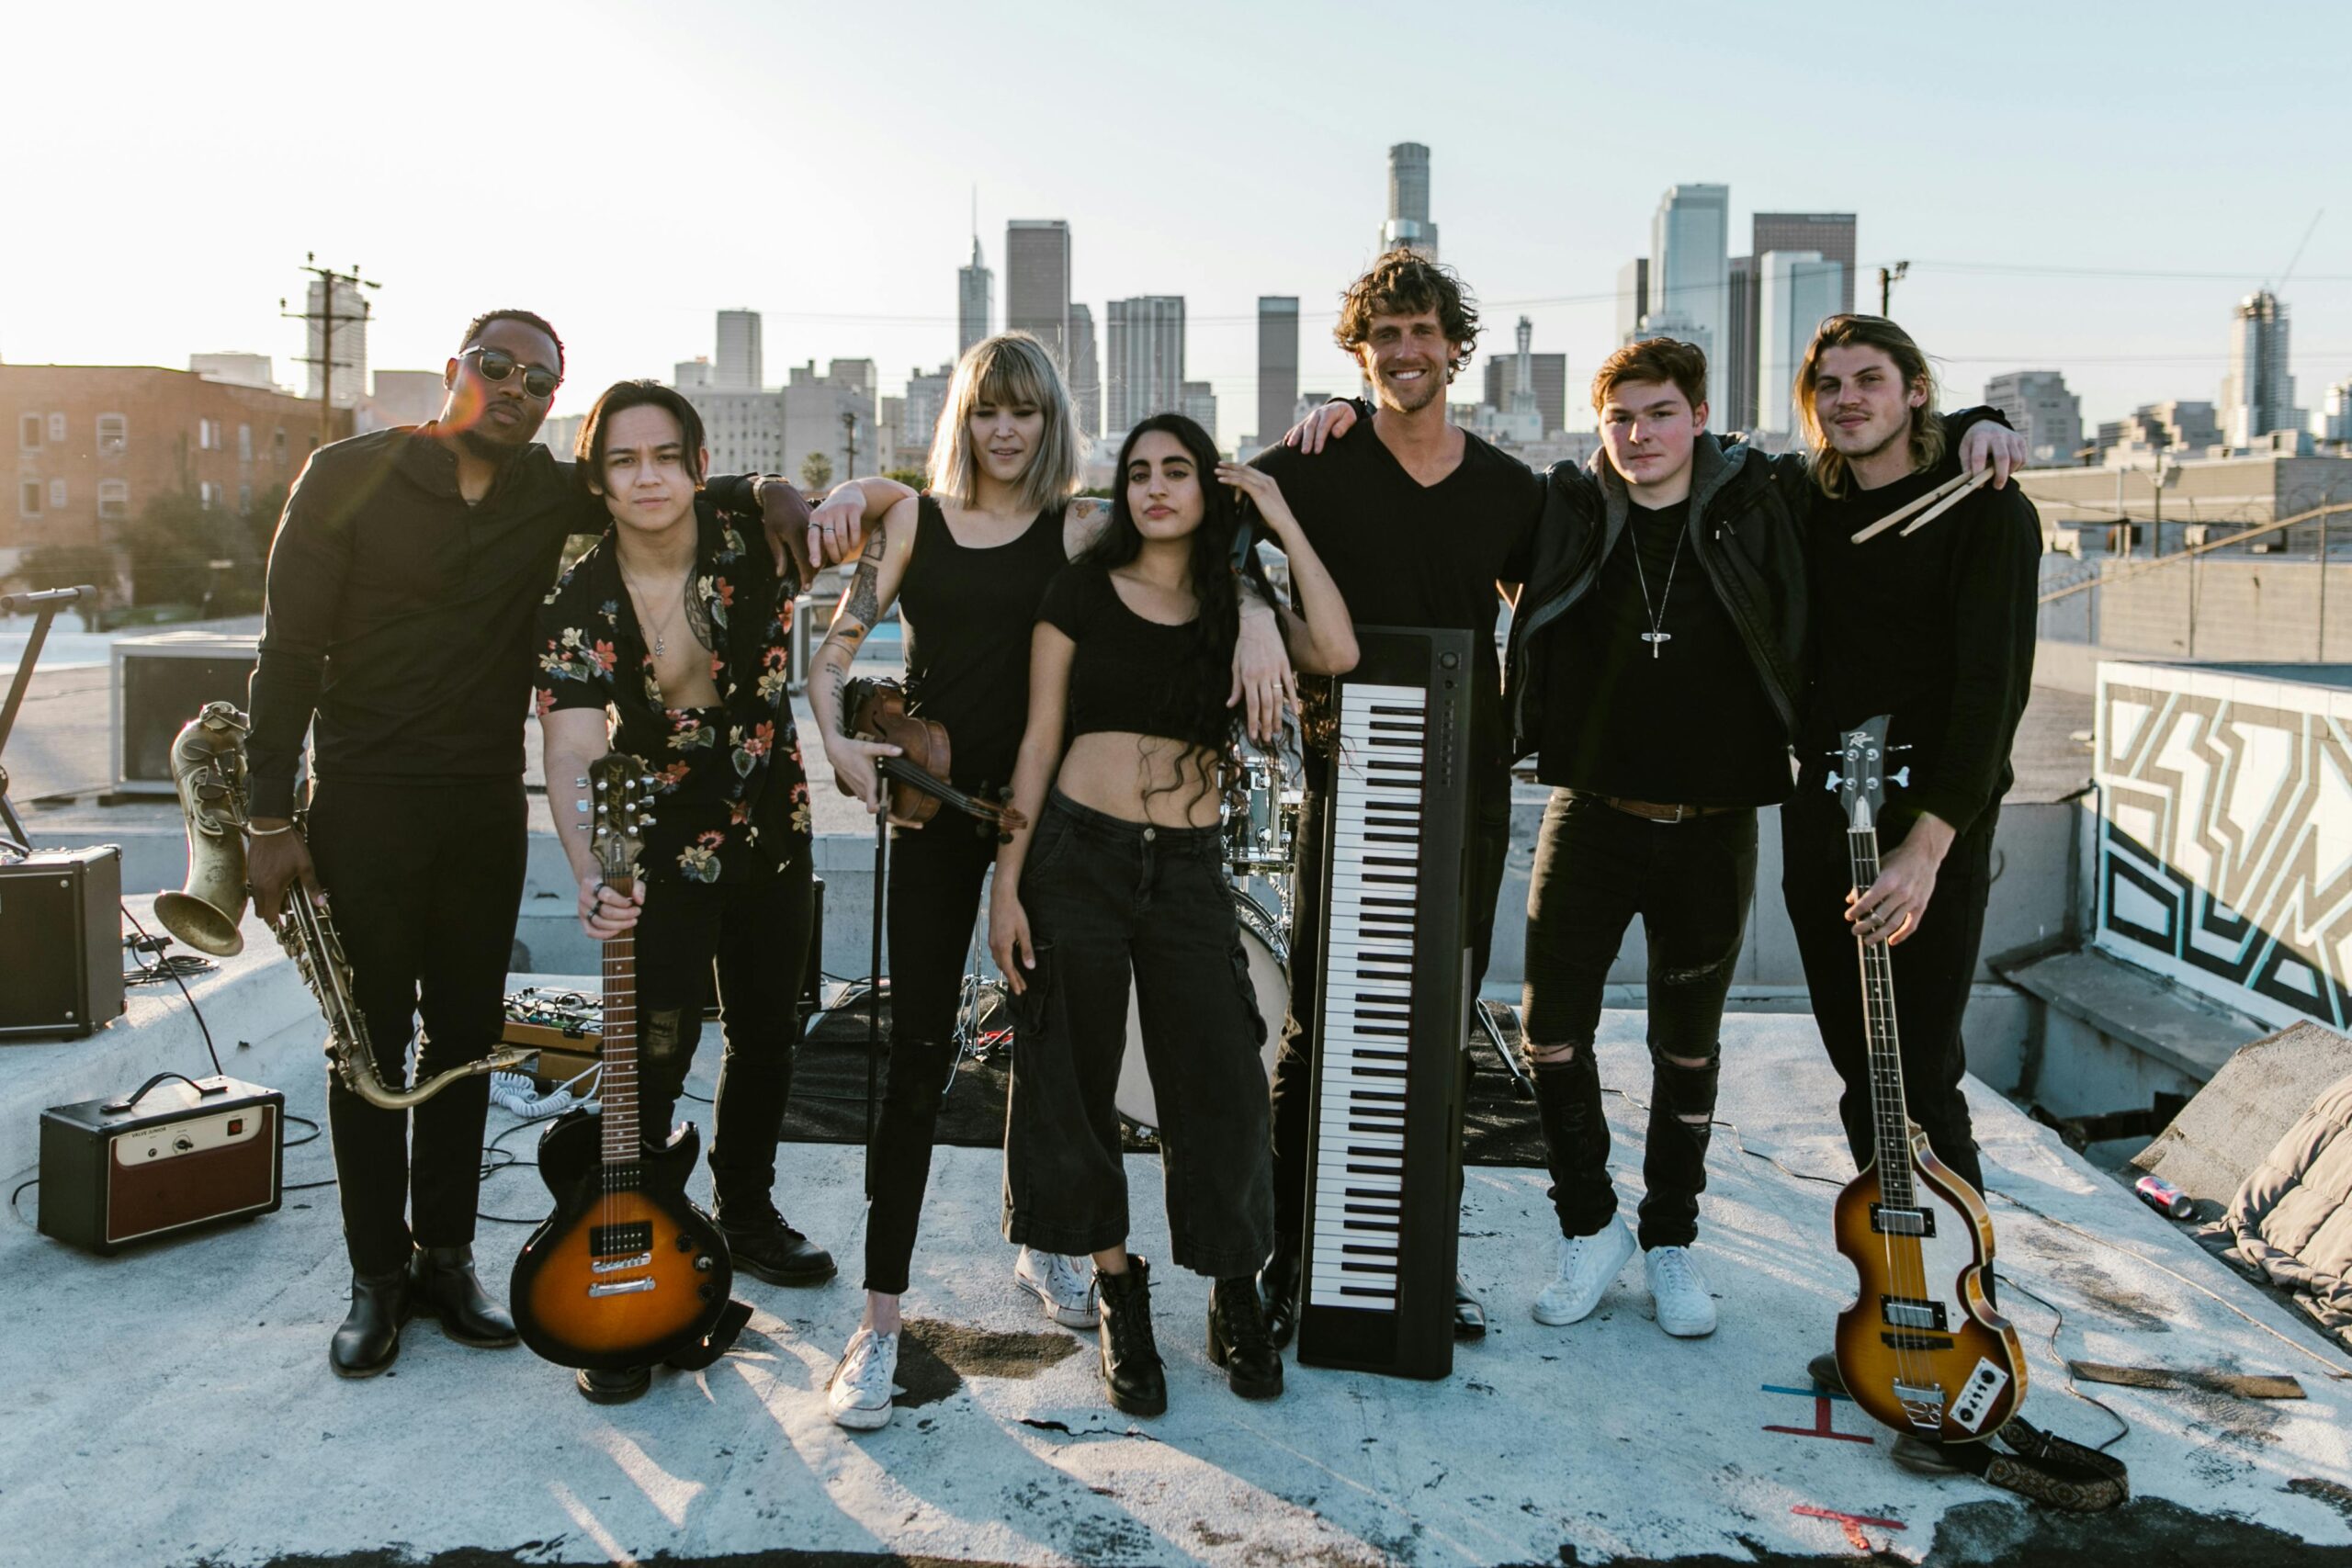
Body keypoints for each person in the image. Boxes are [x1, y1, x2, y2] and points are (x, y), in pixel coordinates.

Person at [245, 310, 819, 1378]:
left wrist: (768, 488)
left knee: (465, 1039)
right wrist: (268, 818)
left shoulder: (549, 490)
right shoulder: (347, 475)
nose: (514, 387)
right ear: (455, 369)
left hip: (479, 805)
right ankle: (375, 1280)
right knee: (367, 1046)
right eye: (495, 366)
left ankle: (446, 1259)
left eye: (538, 380)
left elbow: (659, 481)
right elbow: (286, 651)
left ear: (553, 399)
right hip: (363, 800)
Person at [803, 335, 1289, 1431]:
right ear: (961, 419)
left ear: (1051, 420)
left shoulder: (1075, 527)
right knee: (916, 1055)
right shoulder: (913, 522)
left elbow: (1203, 533)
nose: (1005, 430)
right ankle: (880, 1324)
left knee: (1054, 1035)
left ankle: (1051, 1240)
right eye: (987, 411)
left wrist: (1257, 610)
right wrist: (832, 732)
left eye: (1024, 411)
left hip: (1054, 817)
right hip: (938, 811)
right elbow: (834, 651)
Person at [989, 413, 1358, 1416]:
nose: (1155, 487)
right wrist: (1006, 883)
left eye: (1178, 471)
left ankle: (1234, 1291)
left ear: (1208, 490)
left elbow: (1336, 646)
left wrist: (1275, 524)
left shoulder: (1234, 606)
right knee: (1072, 1076)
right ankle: (1118, 1289)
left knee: (1224, 1080)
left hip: (1189, 869)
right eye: (1139, 472)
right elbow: (1038, 739)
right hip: (1077, 857)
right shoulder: (1080, 589)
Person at [1251, 250, 1545, 1346]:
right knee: (1318, 1024)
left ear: (1454, 347)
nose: (1406, 351)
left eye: (1423, 332)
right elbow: (1209, 514)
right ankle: (1287, 1258)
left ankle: (1425, 1259)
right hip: (1349, 778)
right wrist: (1252, 614)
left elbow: (1554, 599)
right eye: (1385, 335)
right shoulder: (1316, 461)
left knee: (1439, 1023)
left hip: (1465, 789)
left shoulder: (1511, 489)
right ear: (1360, 352)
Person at [534, 381, 831, 1404]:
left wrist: (780, 484)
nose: (648, 476)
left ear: (700, 466)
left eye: (666, 455)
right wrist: (589, 871)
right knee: (651, 1048)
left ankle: (745, 1210)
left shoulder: (760, 540)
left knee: (768, 1030)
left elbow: (894, 513)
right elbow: (570, 750)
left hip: (774, 827)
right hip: (654, 846)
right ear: (597, 481)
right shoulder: (577, 603)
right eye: (623, 460)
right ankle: (637, 1229)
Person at [1779, 316, 2040, 1468]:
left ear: (1915, 391)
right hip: (1822, 822)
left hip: (1928, 829)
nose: (1847, 399)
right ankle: (1894, 1315)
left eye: (1869, 380)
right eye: (1828, 384)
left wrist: (1926, 849)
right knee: (1865, 1081)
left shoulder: (1985, 507)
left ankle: (1966, 1338)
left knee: (1919, 1077)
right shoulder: (1804, 502)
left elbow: (1993, 692)